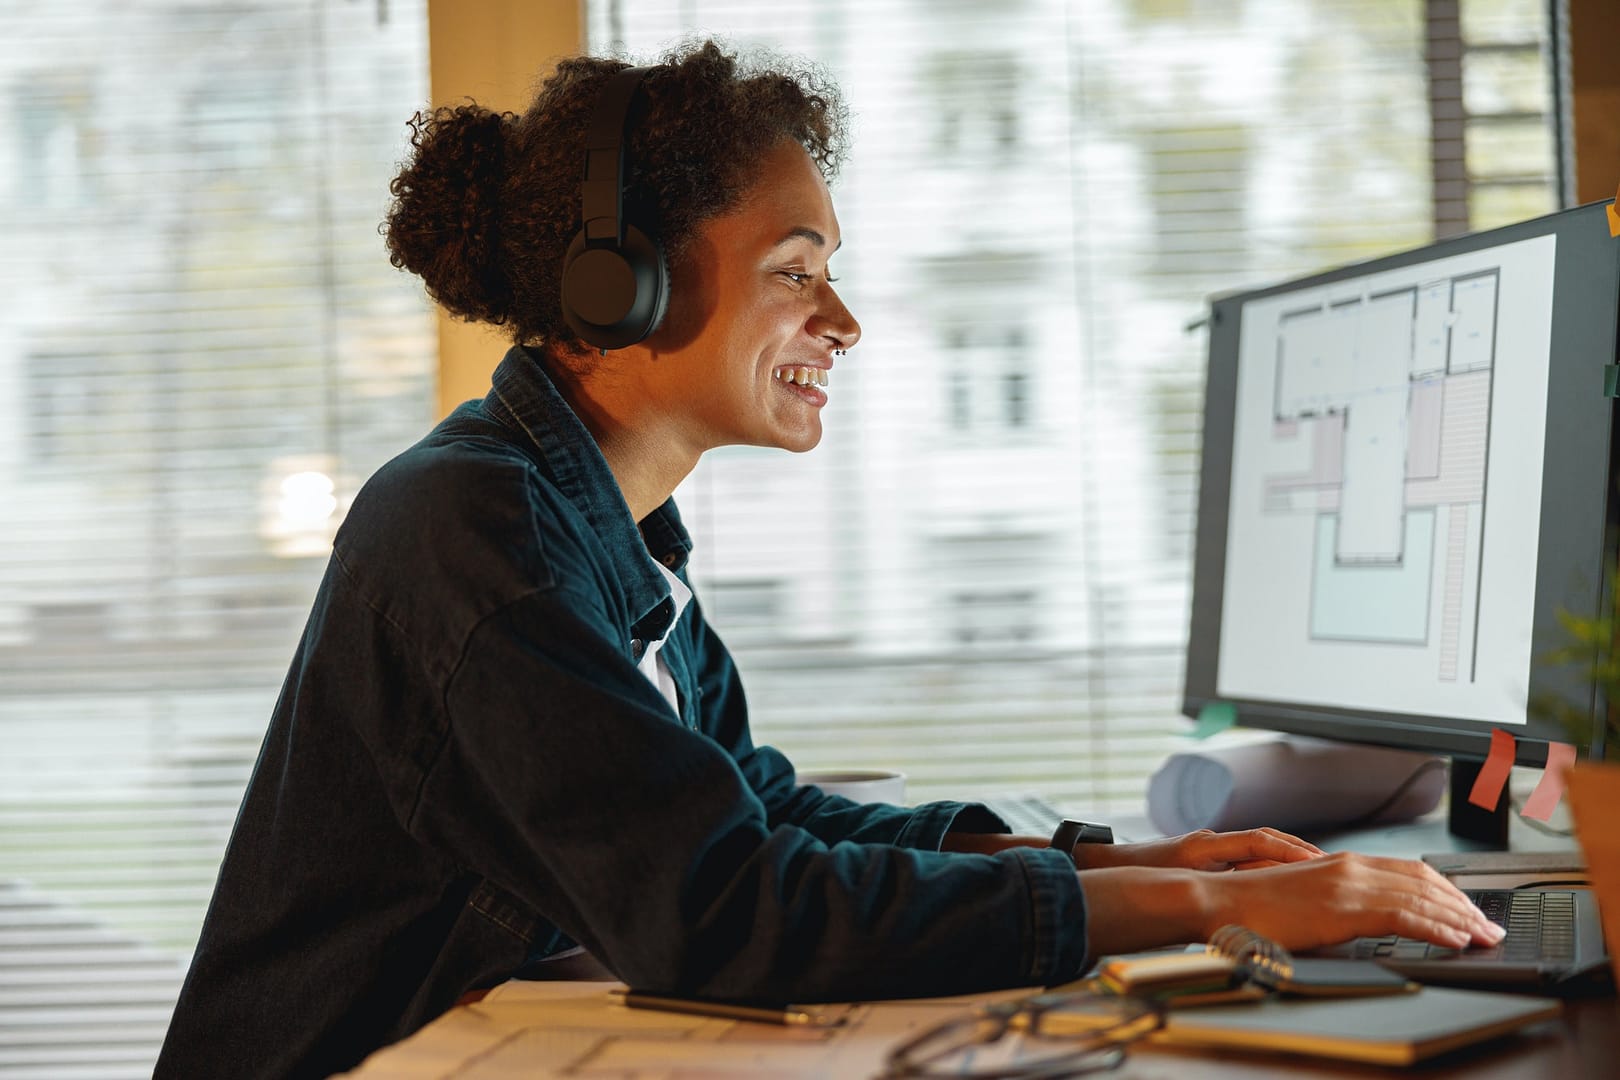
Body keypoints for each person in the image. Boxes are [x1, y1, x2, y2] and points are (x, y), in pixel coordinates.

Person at [154, 41, 1504, 1079]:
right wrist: (1194, 914)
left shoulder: (609, 536)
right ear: (615, 282)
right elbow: (732, 912)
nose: (843, 319)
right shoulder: (474, 532)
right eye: (798, 271)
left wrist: (1158, 869)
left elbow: (764, 821)